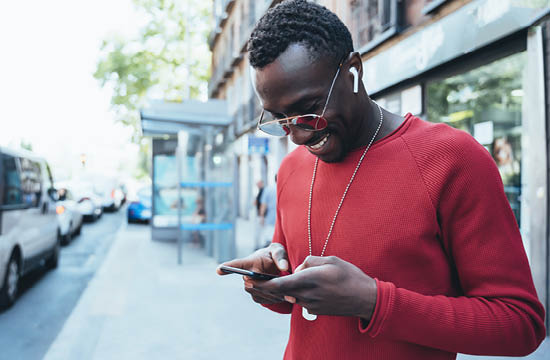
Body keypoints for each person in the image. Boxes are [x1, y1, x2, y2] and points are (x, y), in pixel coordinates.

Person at [216, 1, 546, 359]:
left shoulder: (452, 158)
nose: (296, 135)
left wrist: (374, 302)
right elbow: (304, 302)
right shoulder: (292, 169)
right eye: (281, 119)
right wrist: (272, 281)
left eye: (308, 110)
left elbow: (519, 324)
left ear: (353, 71)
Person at [259, 175, 277, 248]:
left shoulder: (268, 189)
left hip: (270, 219)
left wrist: (262, 217)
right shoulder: (286, 189)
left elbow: (263, 205)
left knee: (270, 240)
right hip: (282, 221)